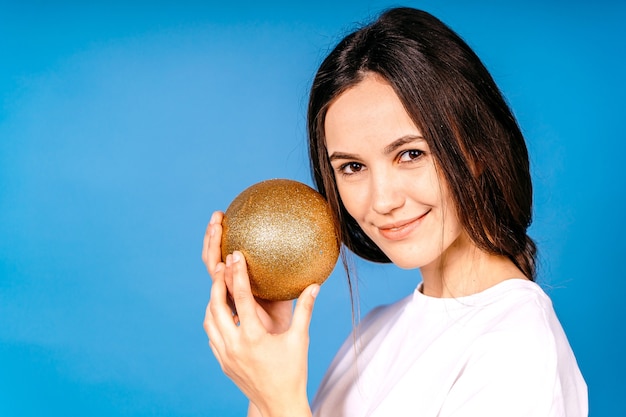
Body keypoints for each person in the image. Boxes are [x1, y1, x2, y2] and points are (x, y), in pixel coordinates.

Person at [202, 7, 587, 417]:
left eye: (410, 154)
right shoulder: (374, 331)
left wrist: (281, 402)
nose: (382, 200)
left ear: (477, 151)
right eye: (352, 167)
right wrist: (267, 364)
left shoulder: (517, 346)